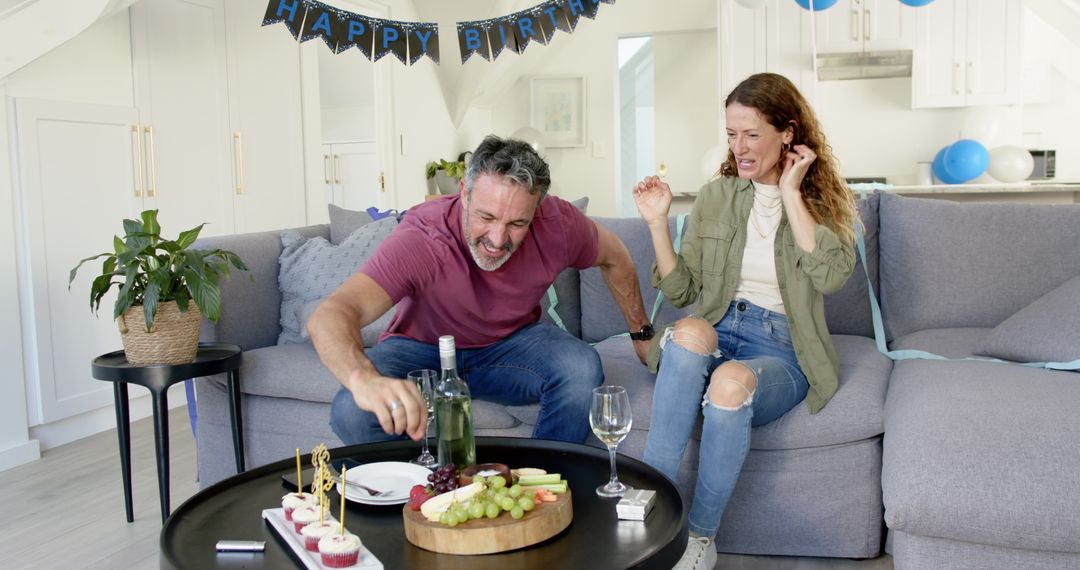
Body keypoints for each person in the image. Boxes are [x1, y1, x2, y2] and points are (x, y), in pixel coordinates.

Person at [632, 73, 858, 570]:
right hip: (716, 327)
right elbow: (684, 292)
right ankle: (646, 504)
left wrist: (793, 193)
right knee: (687, 331)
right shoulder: (717, 196)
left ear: (788, 132)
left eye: (752, 134)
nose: (739, 147)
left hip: (779, 347)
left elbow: (831, 276)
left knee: (731, 383)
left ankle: (699, 539)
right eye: (732, 134)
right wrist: (656, 223)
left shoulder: (822, 204)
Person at [308, 135, 653, 447]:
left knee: (580, 369)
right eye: (486, 217)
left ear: (537, 209)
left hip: (510, 347)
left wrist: (641, 334)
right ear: (464, 192)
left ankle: (539, 487)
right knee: (351, 410)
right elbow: (332, 314)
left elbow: (616, 257)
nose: (498, 239)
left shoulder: (558, 223)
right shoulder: (423, 237)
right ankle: (420, 494)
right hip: (422, 352)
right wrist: (364, 379)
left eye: (517, 223)